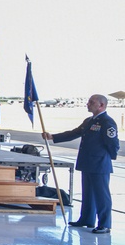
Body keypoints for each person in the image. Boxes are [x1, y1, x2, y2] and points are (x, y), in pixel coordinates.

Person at [43, 94, 119, 233]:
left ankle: (105, 224)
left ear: (101, 105)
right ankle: (87, 219)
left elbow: (113, 144)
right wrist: (53, 137)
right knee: (88, 193)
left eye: (92, 102)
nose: (88, 104)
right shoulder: (89, 121)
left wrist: (106, 158)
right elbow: (74, 133)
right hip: (88, 162)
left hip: (99, 164)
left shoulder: (107, 122)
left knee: (102, 195)